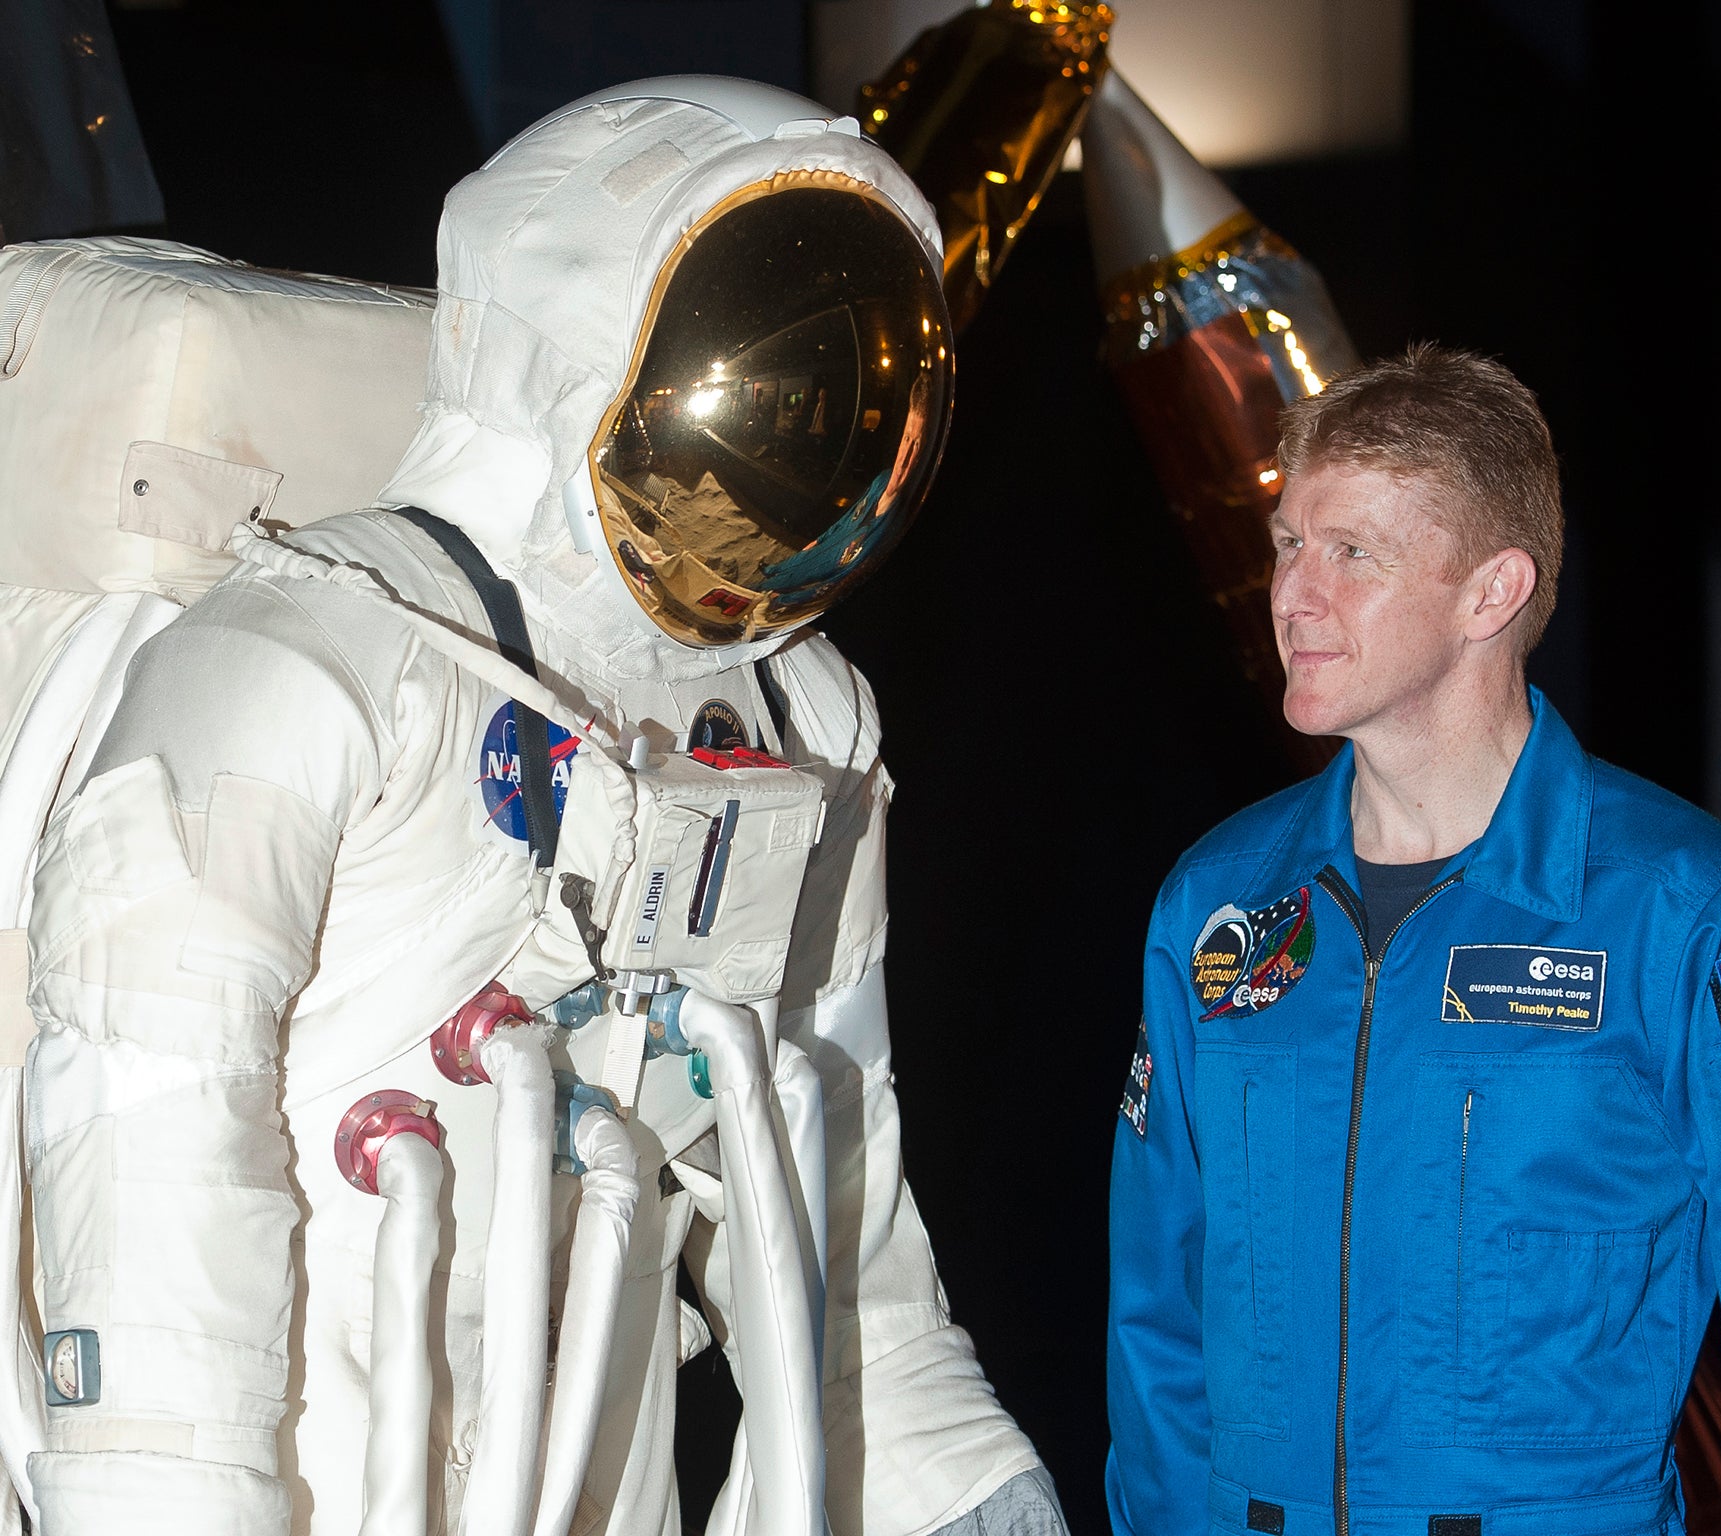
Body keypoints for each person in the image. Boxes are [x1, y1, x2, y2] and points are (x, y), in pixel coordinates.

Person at [22, 78, 1063, 1536]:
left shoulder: (794, 722)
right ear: (573, 355)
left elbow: (824, 1148)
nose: (804, 449)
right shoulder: (309, 662)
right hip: (312, 1470)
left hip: (589, 1464)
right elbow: (145, 1128)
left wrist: (937, 1458)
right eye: (765, 389)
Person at [1106, 345, 1721, 1536]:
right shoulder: (1217, 904)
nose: (1291, 593)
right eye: (1290, 543)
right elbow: (1158, 1308)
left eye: (1352, 554)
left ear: (1491, 592)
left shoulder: (1681, 908)